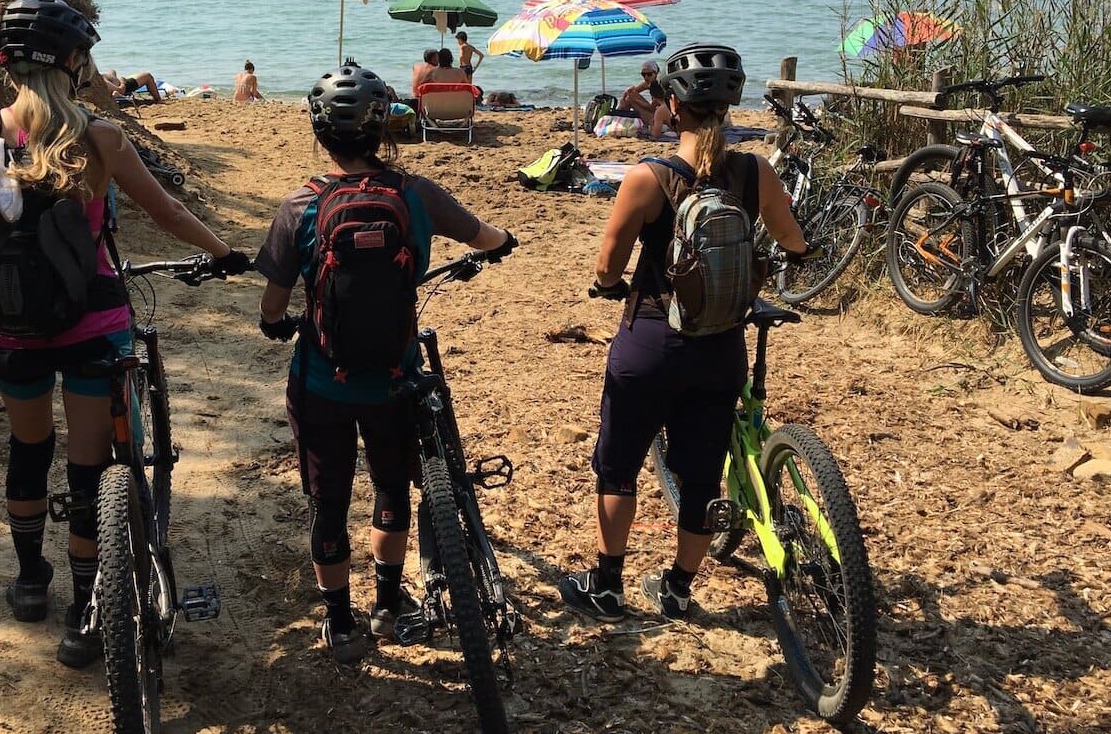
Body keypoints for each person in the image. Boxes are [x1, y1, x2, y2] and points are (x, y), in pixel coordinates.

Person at [0, 0, 249, 667]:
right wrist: (224, 252)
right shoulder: (101, 137)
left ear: (6, 60)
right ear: (73, 62)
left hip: (12, 325)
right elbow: (167, 212)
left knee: (28, 447)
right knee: (91, 470)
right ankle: (86, 615)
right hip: (92, 323)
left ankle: (31, 582)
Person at [254, 64, 516, 663]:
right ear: (384, 131)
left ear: (320, 135)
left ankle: (340, 623)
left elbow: (273, 303)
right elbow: (483, 236)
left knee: (328, 501)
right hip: (395, 379)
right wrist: (504, 241)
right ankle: (388, 606)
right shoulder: (417, 194)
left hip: (321, 381)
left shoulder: (300, 205)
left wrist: (276, 324)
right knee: (392, 489)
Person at [557, 43, 808, 622]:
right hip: (720, 347)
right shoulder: (756, 172)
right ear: (729, 106)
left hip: (651, 341)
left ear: (672, 106)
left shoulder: (649, 178)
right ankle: (677, 589)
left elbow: (607, 266)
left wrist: (609, 287)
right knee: (701, 477)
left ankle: (608, 586)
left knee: (617, 466)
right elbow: (794, 242)